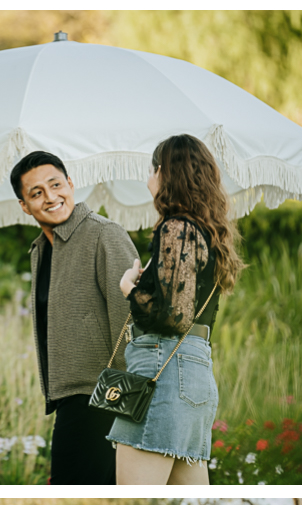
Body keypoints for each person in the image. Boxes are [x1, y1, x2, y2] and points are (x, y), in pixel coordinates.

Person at [109, 134, 246, 485]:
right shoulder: (210, 232)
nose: (148, 181)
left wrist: (130, 288)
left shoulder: (177, 228)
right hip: (195, 372)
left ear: (161, 172)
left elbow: (172, 315)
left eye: (150, 172)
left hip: (162, 371)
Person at [11, 151, 137, 485]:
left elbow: (132, 322)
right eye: (36, 193)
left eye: (55, 185)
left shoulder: (103, 234)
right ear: (24, 205)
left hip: (105, 399)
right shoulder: (40, 250)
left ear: (70, 183)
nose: (50, 197)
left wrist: (124, 405)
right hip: (70, 401)